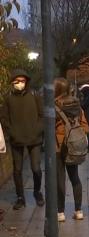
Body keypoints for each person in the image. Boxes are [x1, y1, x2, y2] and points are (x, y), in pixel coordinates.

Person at [0, 69, 45, 210]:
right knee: (17, 170)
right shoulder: (8, 98)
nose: (20, 83)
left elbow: (42, 115)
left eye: (23, 81)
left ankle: (37, 192)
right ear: (12, 82)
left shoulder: (34, 95)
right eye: (17, 81)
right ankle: (20, 197)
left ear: (27, 81)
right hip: (16, 139)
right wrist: (11, 133)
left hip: (34, 139)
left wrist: (37, 130)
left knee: (36, 168)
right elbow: (4, 118)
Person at [54, 78, 89, 222]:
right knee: (74, 177)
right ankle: (78, 210)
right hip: (72, 146)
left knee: (60, 179)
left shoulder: (53, 106)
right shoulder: (77, 105)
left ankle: (60, 212)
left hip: (58, 146)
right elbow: (85, 127)